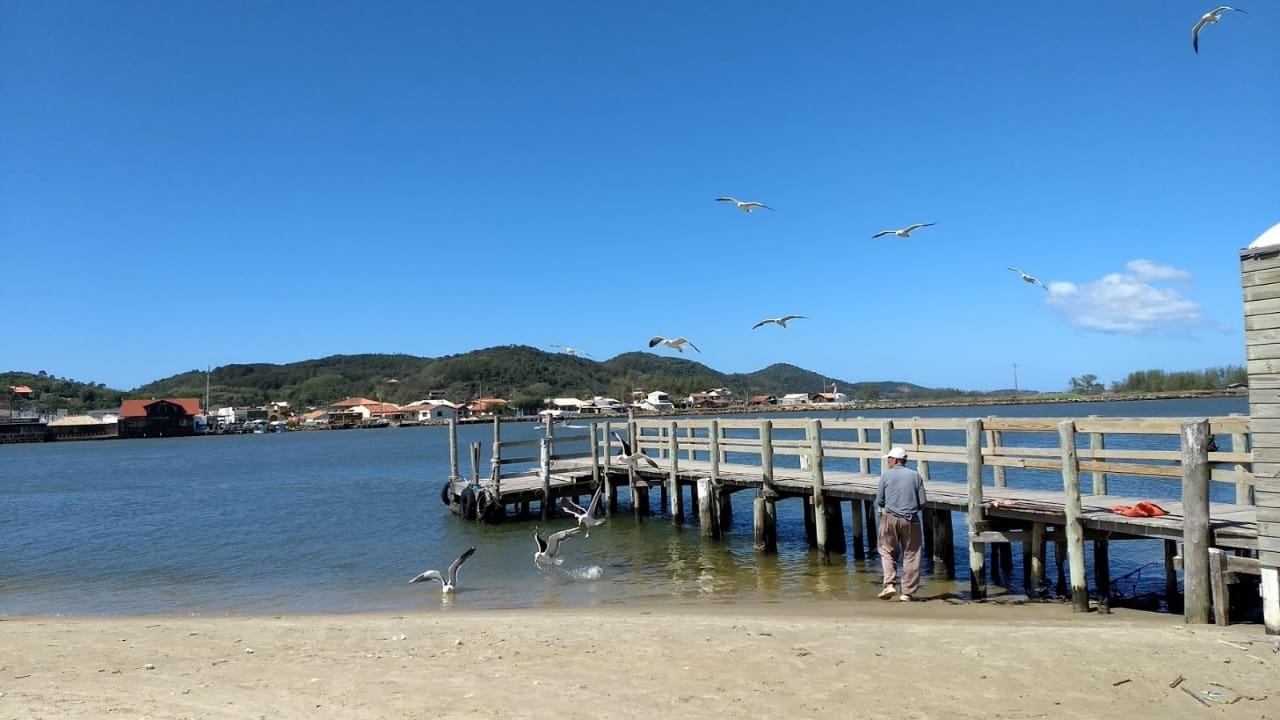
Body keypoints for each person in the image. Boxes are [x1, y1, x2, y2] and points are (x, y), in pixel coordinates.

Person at [876, 446, 927, 601]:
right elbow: (923, 502)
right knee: (912, 554)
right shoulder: (915, 476)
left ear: (896, 459)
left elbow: (879, 500)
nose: (888, 462)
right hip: (911, 518)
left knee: (887, 551)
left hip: (890, 517)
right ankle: (907, 593)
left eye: (890, 459)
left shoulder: (886, 476)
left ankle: (889, 584)